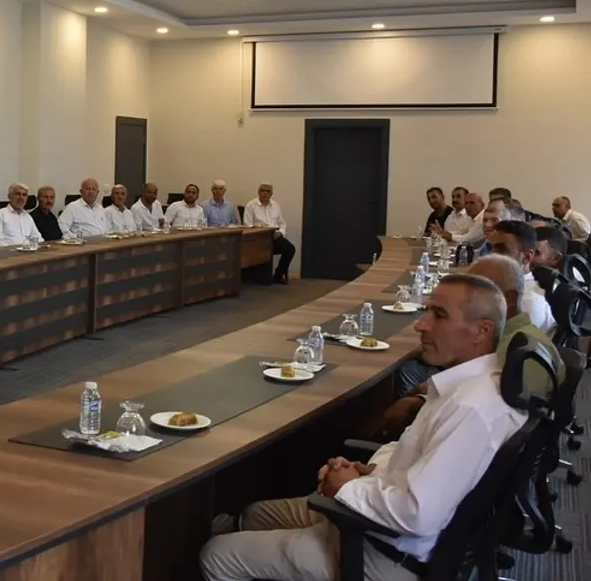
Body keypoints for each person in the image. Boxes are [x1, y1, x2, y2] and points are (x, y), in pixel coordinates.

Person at [200, 274, 526, 581]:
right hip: (378, 515)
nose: (421, 324)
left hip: (384, 552)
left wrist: (346, 487)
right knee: (256, 515)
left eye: (439, 315)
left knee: (216, 555)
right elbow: (411, 452)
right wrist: (366, 471)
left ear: (482, 330)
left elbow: (417, 515)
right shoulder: (466, 385)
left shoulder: (470, 410)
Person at [388, 254, 561, 409]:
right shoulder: (514, 339)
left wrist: (422, 400)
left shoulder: (521, 354)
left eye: (479, 287)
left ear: (508, 299)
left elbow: (494, 412)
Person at [486, 220, 555, 333]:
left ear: (526, 257)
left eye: (501, 249)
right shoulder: (499, 284)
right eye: (490, 248)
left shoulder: (528, 302)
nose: (491, 255)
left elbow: (505, 344)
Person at [243, 183, 294, 285]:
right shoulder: (251, 205)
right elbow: (247, 225)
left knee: (290, 249)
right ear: (258, 192)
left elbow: (282, 223)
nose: (265, 193)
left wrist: (280, 233)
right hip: (258, 239)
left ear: (271, 193)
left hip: (274, 237)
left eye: (268, 191)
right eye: (262, 191)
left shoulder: (275, 205)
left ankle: (278, 275)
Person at [0, 182, 40, 247]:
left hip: (28, 252)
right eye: (17, 194)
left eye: (24, 195)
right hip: (7, 252)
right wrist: (15, 251)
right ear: (9, 196)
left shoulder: (28, 217)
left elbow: (37, 238)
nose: (21, 198)